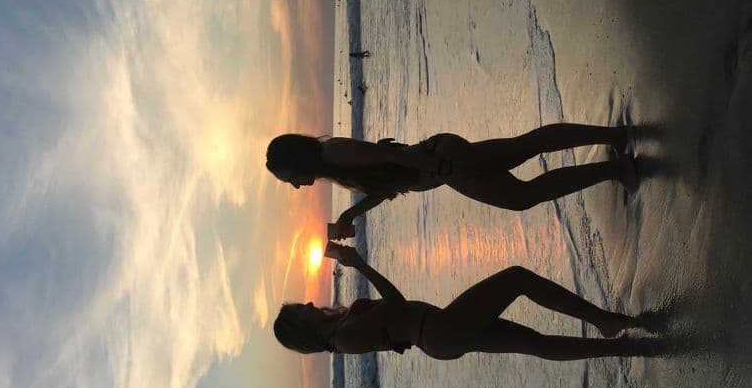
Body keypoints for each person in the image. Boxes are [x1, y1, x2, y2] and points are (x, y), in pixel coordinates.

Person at [273, 244, 653, 361]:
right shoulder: (344, 339)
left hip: (440, 332)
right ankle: (603, 322)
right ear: (301, 329)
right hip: (436, 331)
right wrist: (360, 265)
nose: (308, 304)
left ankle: (619, 347)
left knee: (532, 343)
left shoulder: (341, 330)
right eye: (300, 312)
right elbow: (398, 305)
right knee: (517, 278)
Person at [265, 124, 637, 239]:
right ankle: (612, 140)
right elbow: (384, 180)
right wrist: (354, 215)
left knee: (523, 195)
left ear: (295, 163)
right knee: (523, 149)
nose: (296, 185)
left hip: (442, 164)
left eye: (289, 178)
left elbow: (394, 157)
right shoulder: (334, 162)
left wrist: (439, 169)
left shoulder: (336, 156)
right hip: (442, 157)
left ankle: (614, 168)